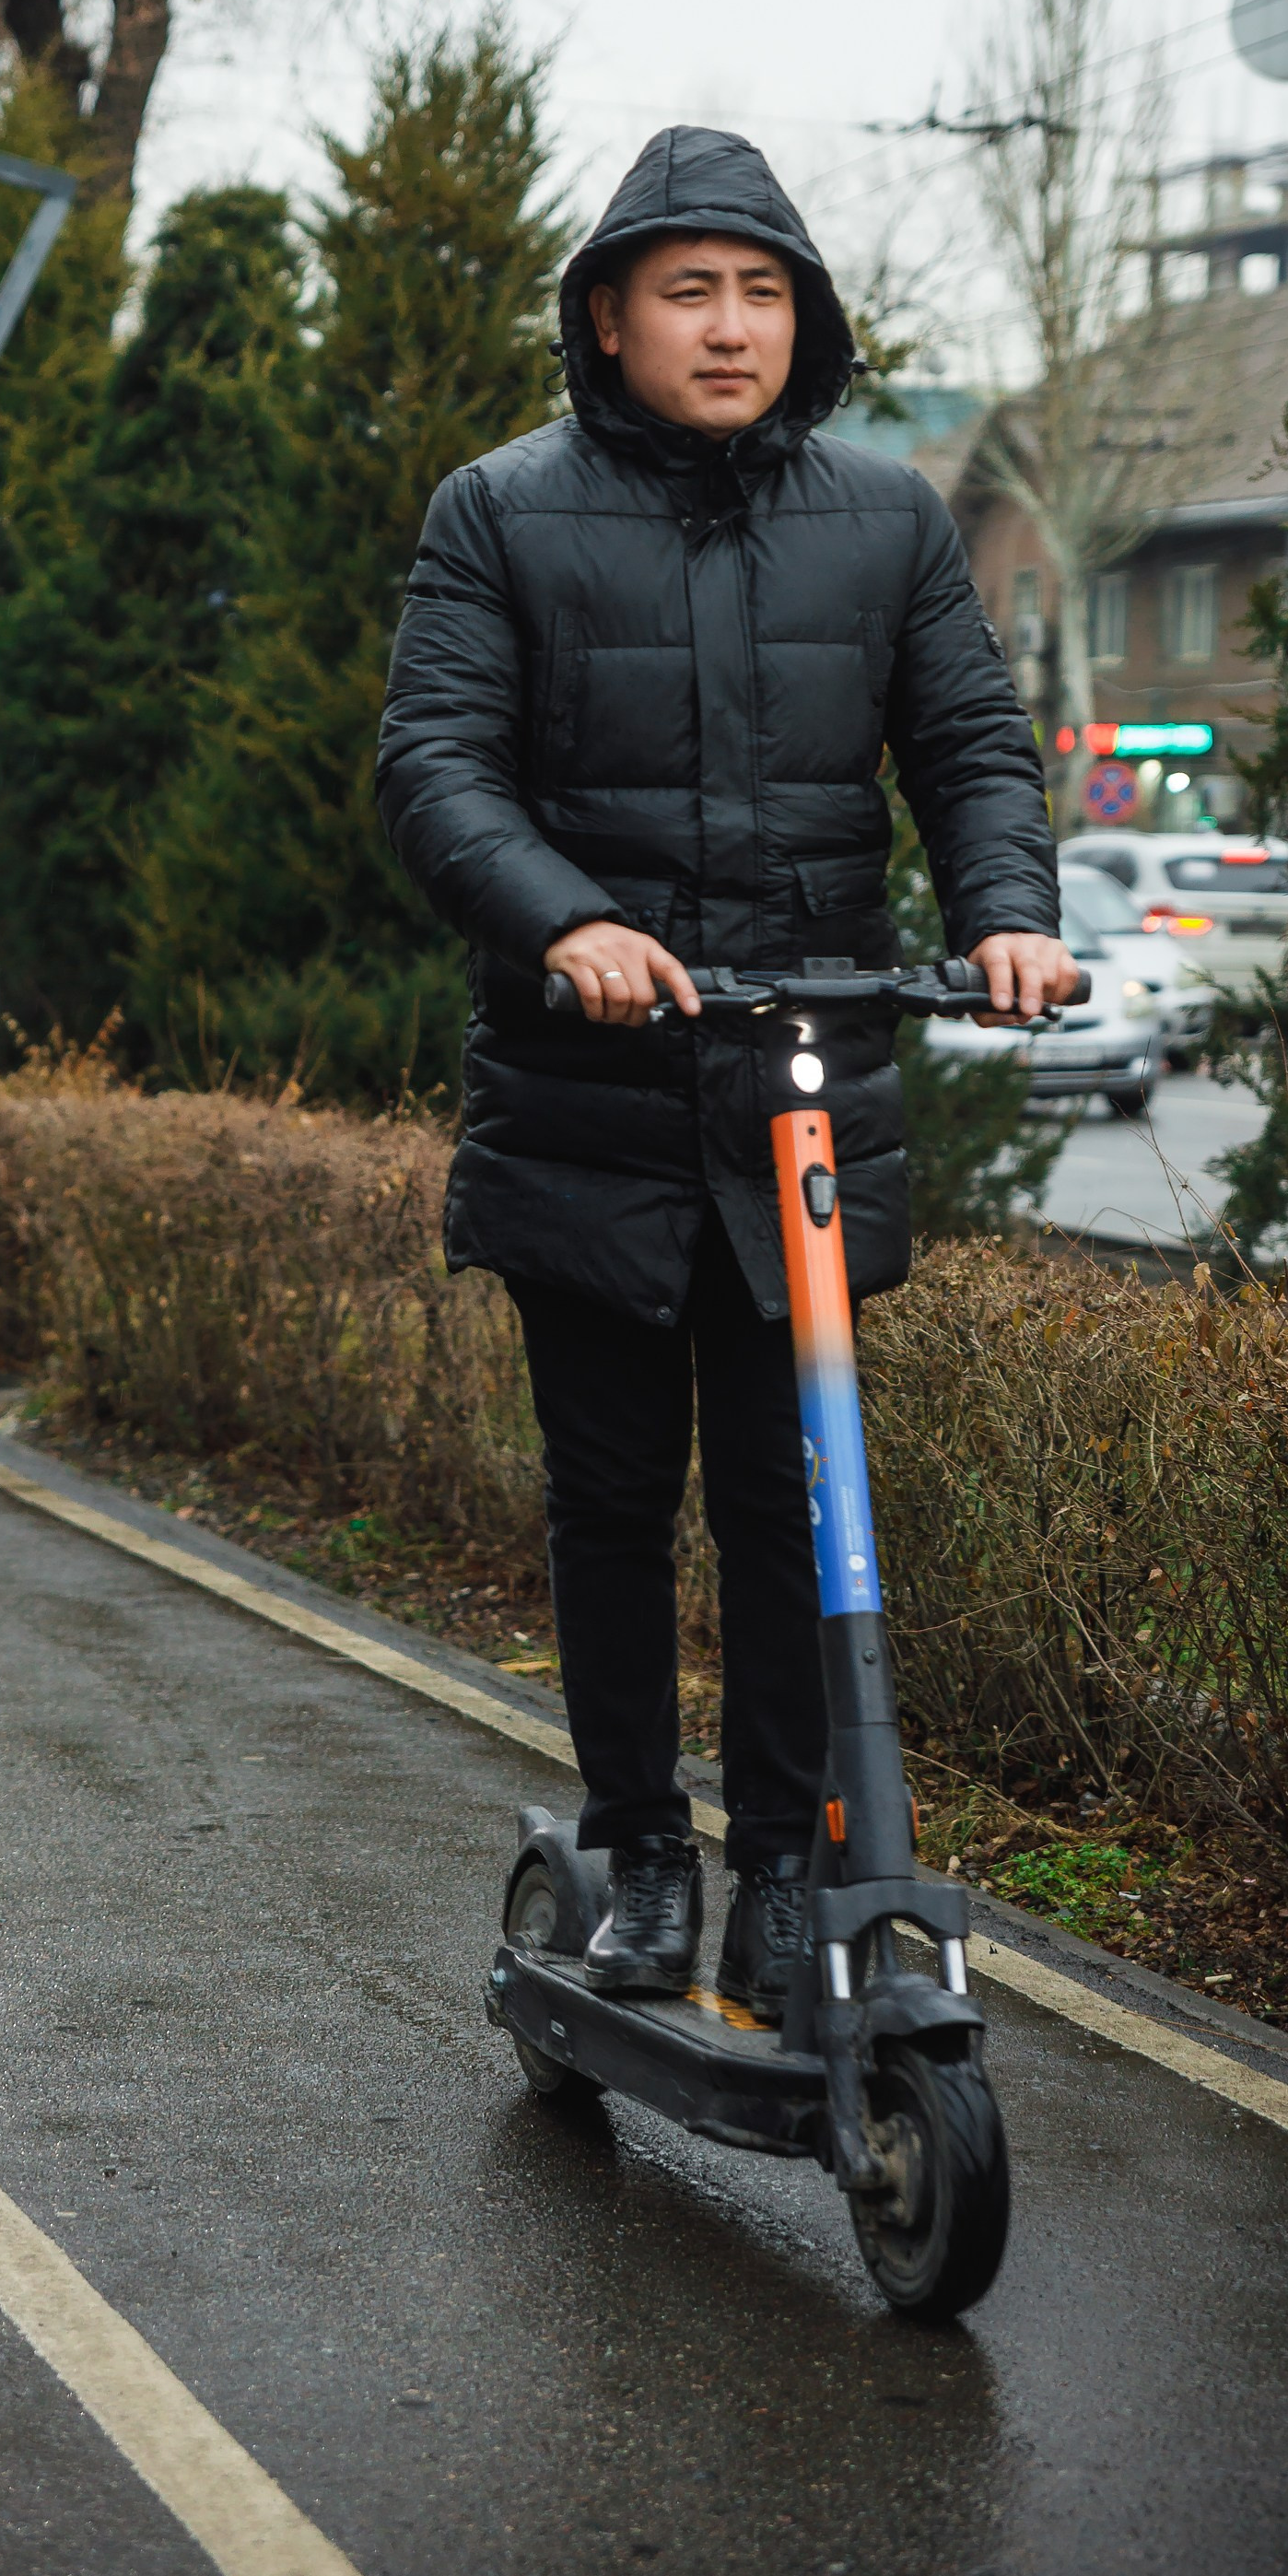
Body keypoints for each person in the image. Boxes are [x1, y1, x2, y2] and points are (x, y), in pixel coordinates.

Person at [376, 129, 1071, 2014]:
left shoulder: (888, 517)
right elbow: (433, 771)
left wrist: (1002, 905)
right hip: (587, 1098)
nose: (727, 323)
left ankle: (785, 1863)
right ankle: (639, 1855)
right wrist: (560, 924)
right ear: (605, 318)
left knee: (791, 1497)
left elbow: (969, 751)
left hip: (798, 1101)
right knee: (608, 1498)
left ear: (803, 319)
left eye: (760, 290)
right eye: (686, 287)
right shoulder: (496, 512)